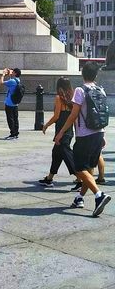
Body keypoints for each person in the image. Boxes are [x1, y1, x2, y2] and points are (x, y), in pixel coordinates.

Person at [55, 62, 108, 217]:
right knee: (89, 169)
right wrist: (102, 136)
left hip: (85, 135)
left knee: (79, 169)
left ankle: (99, 196)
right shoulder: (101, 90)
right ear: (96, 75)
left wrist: (61, 133)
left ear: (82, 73)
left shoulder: (80, 90)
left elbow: (73, 115)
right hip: (99, 132)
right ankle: (80, 198)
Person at [38, 77, 76, 187]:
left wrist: (46, 125)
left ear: (59, 87)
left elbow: (56, 116)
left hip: (61, 131)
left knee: (68, 156)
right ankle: (49, 178)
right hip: (68, 130)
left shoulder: (59, 98)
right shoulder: (72, 97)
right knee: (56, 154)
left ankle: (80, 179)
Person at [1, 66, 22, 139]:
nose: (12, 72)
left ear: (15, 73)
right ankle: (16, 132)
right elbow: (11, 83)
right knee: (15, 118)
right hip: (15, 103)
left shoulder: (12, 81)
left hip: (9, 103)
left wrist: (3, 74)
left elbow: (1, 82)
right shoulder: (17, 80)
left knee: (10, 118)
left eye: (13, 72)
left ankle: (12, 133)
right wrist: (10, 75)